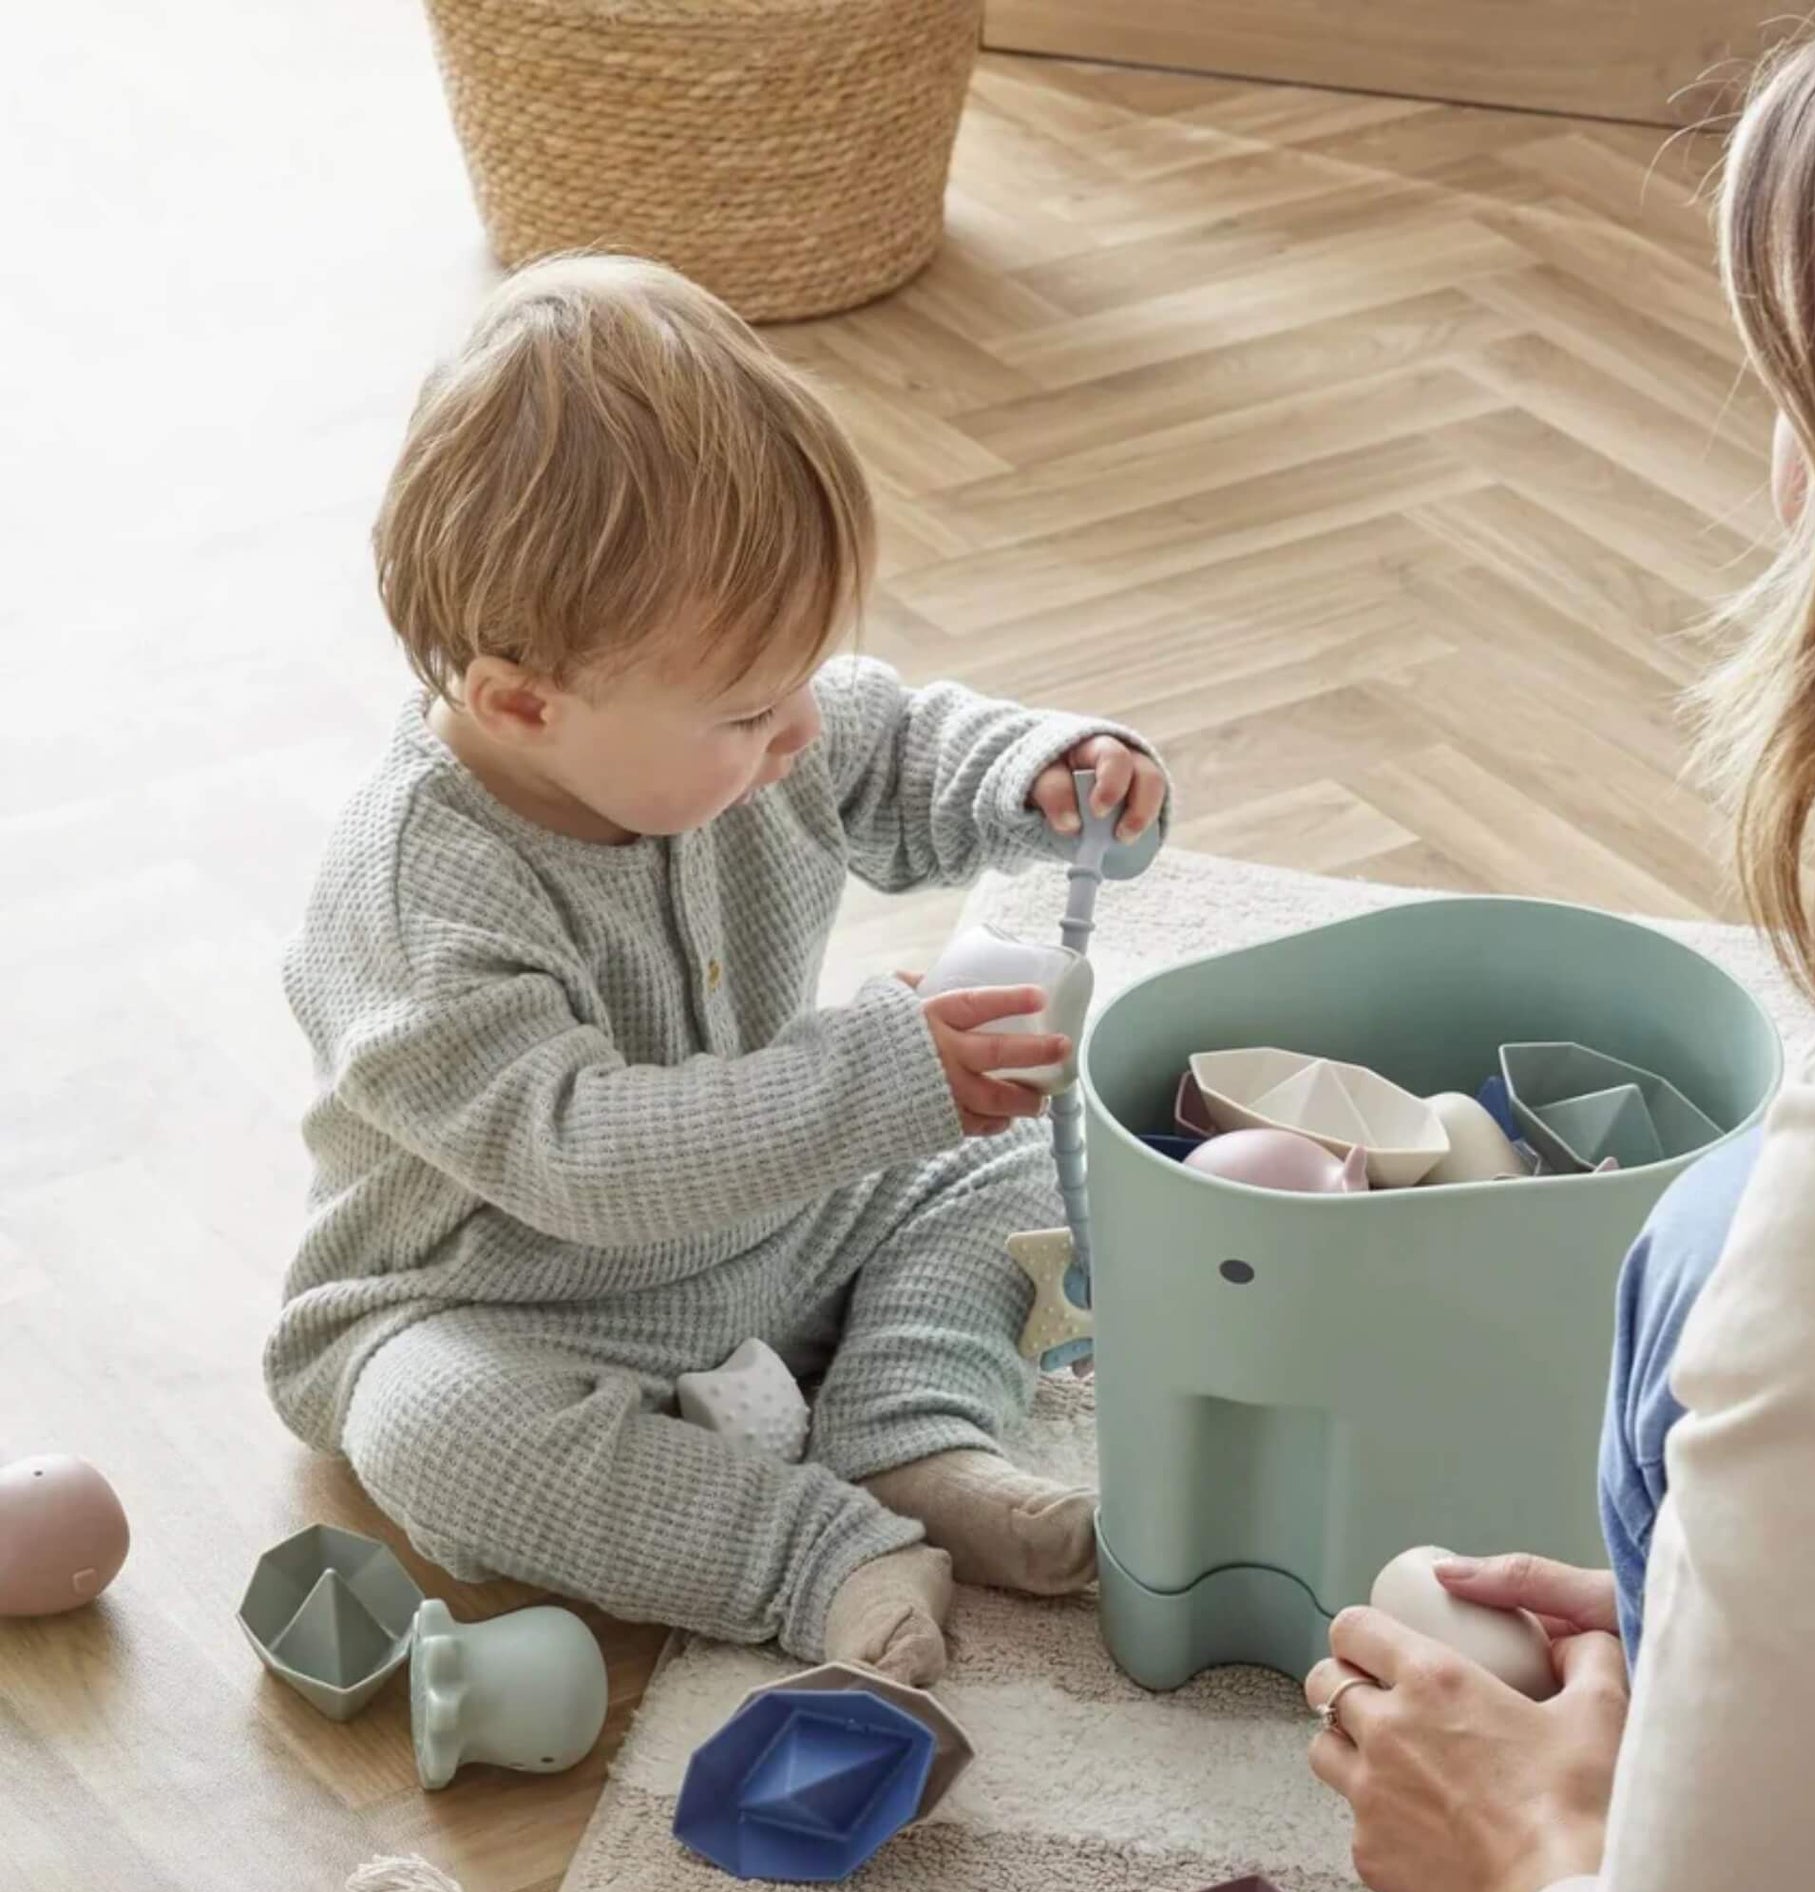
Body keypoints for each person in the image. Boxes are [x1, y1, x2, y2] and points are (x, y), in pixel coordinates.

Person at [266, 254, 1167, 1688]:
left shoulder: (731, 728)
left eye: (807, 673)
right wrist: (879, 1073)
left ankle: (912, 1426)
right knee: (433, 1431)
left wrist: (1042, 768)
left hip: (773, 1219)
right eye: (752, 708)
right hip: (509, 1298)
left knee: (1025, 1147)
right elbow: (583, 1160)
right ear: (519, 700)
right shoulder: (412, 898)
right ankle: (817, 1550)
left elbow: (901, 745)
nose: (801, 731)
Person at [1303, 3, 1815, 1892]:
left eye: (1799, 394)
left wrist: (1527, 1864)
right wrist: (1788, 1653)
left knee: (1726, 1225)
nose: (1776, 467)